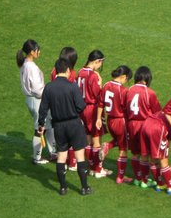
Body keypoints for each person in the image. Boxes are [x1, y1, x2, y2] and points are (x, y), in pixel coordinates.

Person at [37, 58, 91, 196]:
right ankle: (84, 187)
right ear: (68, 70)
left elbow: (43, 109)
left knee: (61, 156)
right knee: (80, 155)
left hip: (59, 126)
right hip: (74, 124)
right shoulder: (72, 86)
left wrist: (41, 124)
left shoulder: (49, 87)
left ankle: (62, 188)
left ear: (55, 70)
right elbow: (81, 106)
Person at [16, 39, 56, 165]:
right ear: (32, 52)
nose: (39, 52)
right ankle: (37, 157)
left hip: (32, 99)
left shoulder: (24, 64)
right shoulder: (31, 67)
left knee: (48, 124)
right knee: (40, 128)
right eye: (37, 50)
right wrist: (49, 95)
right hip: (37, 99)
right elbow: (38, 89)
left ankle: (53, 152)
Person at [77, 50, 112, 178]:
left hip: (82, 109)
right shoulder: (92, 76)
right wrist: (100, 82)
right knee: (96, 140)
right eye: (100, 63)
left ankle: (91, 167)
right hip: (92, 109)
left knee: (87, 139)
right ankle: (98, 169)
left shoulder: (80, 72)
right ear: (97, 61)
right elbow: (99, 95)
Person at [96, 65, 134, 184]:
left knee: (119, 140)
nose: (126, 82)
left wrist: (98, 118)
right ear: (123, 77)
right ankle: (120, 178)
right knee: (123, 148)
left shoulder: (106, 85)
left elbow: (101, 103)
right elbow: (127, 110)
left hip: (110, 120)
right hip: (120, 121)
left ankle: (108, 145)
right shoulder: (123, 91)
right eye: (127, 79)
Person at [125, 66, 161, 187]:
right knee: (146, 154)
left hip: (131, 124)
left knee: (135, 153)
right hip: (144, 124)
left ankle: (138, 178)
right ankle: (145, 180)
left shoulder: (129, 90)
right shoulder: (149, 92)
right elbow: (158, 112)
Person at [51, 47, 78, 171]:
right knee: (73, 136)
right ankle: (72, 162)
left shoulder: (54, 71)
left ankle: (65, 160)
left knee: (62, 138)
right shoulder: (71, 74)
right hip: (69, 109)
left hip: (56, 109)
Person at [139, 111, 171, 194]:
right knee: (163, 159)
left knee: (152, 157)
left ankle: (159, 184)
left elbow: (169, 137)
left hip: (146, 124)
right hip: (158, 128)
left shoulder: (169, 111)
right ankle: (170, 187)